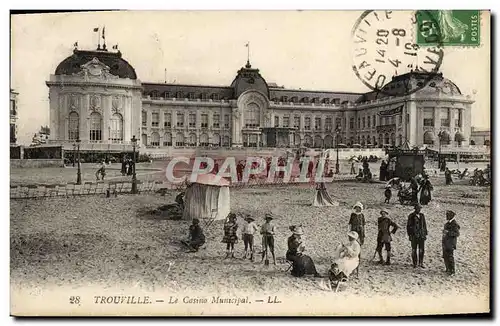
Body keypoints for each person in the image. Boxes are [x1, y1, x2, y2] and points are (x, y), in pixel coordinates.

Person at [407, 204, 428, 268]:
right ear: (415, 209)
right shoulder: (411, 216)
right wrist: (410, 235)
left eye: (419, 208)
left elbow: (424, 225)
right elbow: (408, 226)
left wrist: (425, 234)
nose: (419, 210)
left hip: (421, 235)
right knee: (414, 250)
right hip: (414, 235)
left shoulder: (422, 216)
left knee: (421, 250)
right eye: (417, 208)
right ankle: (415, 263)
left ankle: (421, 263)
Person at [442, 210, 460, 276]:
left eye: (447, 215)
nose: (446, 216)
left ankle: (452, 270)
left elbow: (457, 233)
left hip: (450, 243)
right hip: (445, 243)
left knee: (450, 257)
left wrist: (448, 233)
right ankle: (448, 269)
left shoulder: (454, 224)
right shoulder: (447, 223)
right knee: (445, 256)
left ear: (451, 216)